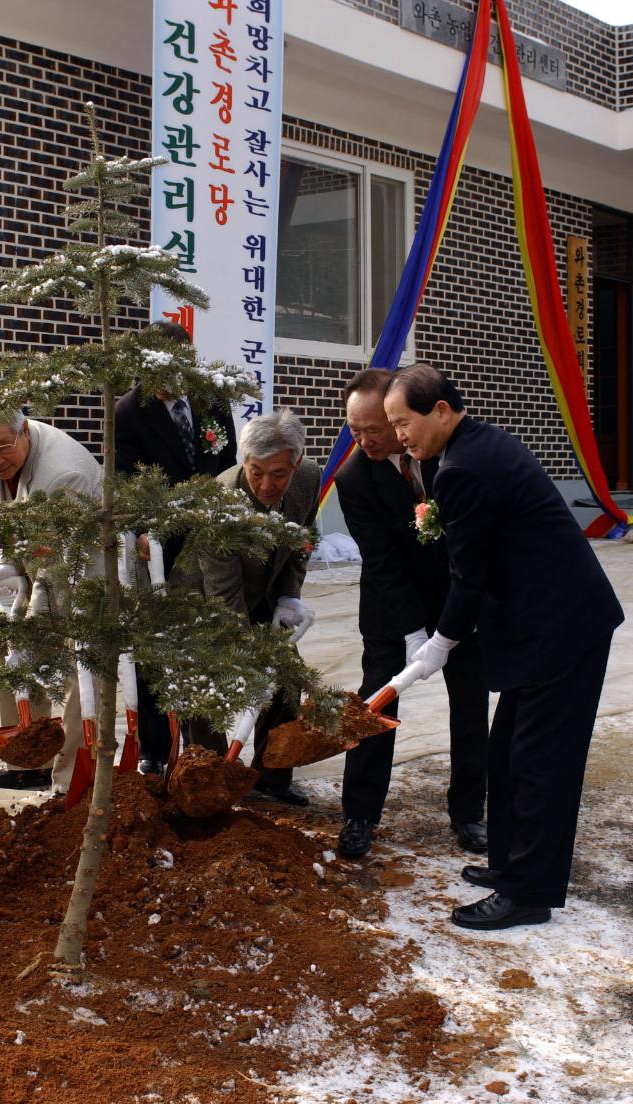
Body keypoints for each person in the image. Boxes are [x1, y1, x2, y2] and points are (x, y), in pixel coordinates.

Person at [383, 363, 624, 930]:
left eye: (403, 422)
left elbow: (470, 574)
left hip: (563, 627)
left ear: (440, 410)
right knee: (506, 753)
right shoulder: (473, 445)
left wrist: (441, 642)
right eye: (393, 426)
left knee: (540, 764)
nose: (399, 436)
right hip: (540, 623)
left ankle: (528, 893)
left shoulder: (464, 468)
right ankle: (509, 865)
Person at [334, 369, 489, 859]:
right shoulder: (353, 476)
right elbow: (381, 560)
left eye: (372, 429)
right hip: (389, 607)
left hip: (454, 598)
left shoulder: (443, 451)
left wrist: (450, 624)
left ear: (394, 414)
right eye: (352, 431)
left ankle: (469, 812)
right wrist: (411, 630)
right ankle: (359, 814)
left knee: (470, 703)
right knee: (376, 704)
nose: (363, 440)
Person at [115, 321, 237, 775]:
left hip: (208, 536)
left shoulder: (211, 401)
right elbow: (124, 481)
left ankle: (202, 741)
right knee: (156, 643)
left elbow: (226, 465)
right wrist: (143, 530)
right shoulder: (128, 412)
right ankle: (155, 746)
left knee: (205, 637)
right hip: (158, 545)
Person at [0, 410, 102, 791]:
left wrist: (32, 623)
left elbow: (59, 562)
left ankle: (73, 774)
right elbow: (5, 523)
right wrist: (6, 566)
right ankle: (30, 758)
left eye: (1, 448)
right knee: (10, 651)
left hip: (83, 572)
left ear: (24, 431)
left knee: (84, 666)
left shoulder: (64, 474)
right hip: (39, 562)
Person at [199, 409, 320, 806]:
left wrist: (289, 595)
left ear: (296, 463)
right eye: (256, 472)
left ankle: (272, 778)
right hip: (205, 600)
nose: (266, 485)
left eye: (278, 475)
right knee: (206, 687)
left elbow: (301, 540)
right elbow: (222, 591)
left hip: (266, 592)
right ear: (243, 462)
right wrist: (241, 652)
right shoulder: (221, 499)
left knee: (286, 679)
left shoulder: (309, 479)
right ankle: (209, 781)